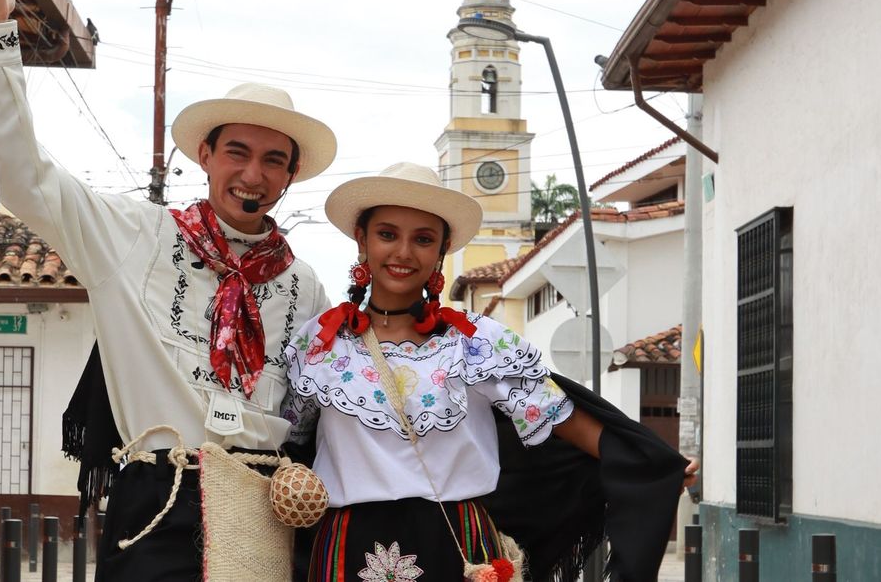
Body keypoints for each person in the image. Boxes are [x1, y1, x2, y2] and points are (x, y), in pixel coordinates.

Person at [0, 0, 336, 579]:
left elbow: (318, 411)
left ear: (289, 177)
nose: (253, 174)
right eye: (237, 152)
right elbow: (22, 174)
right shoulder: (136, 235)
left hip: (265, 504)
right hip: (159, 501)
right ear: (205, 154)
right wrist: (1, 32)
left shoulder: (304, 284)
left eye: (273, 161)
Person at [281, 163, 697, 581]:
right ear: (362, 241)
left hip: (460, 548)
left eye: (423, 239)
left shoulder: (477, 343)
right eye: (387, 234)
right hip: (349, 550)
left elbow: (568, 422)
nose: (403, 252)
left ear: (441, 250)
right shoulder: (320, 342)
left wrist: (651, 467)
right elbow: (291, 445)